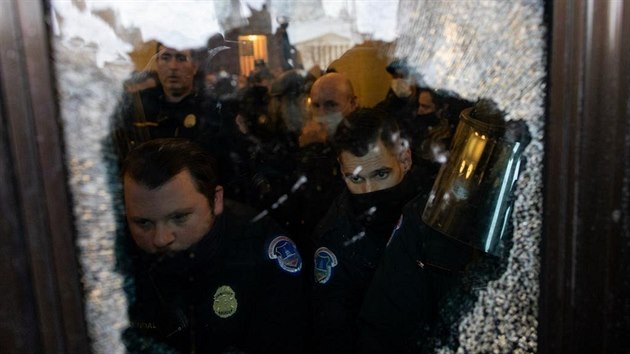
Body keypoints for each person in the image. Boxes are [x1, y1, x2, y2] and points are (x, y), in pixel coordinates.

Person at [119, 138, 307, 354]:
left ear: (216, 200)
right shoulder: (115, 254)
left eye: (179, 217)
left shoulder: (260, 251)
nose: (160, 238)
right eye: (143, 223)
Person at [312, 108, 428, 353]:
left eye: (381, 174)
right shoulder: (335, 238)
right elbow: (336, 333)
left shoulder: (436, 203)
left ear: (405, 160)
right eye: (355, 179)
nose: (368, 190)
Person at [111, 43, 228, 163]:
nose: (173, 66)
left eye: (181, 58)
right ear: (157, 63)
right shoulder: (138, 106)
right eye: (165, 58)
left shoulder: (211, 110)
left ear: (195, 66)